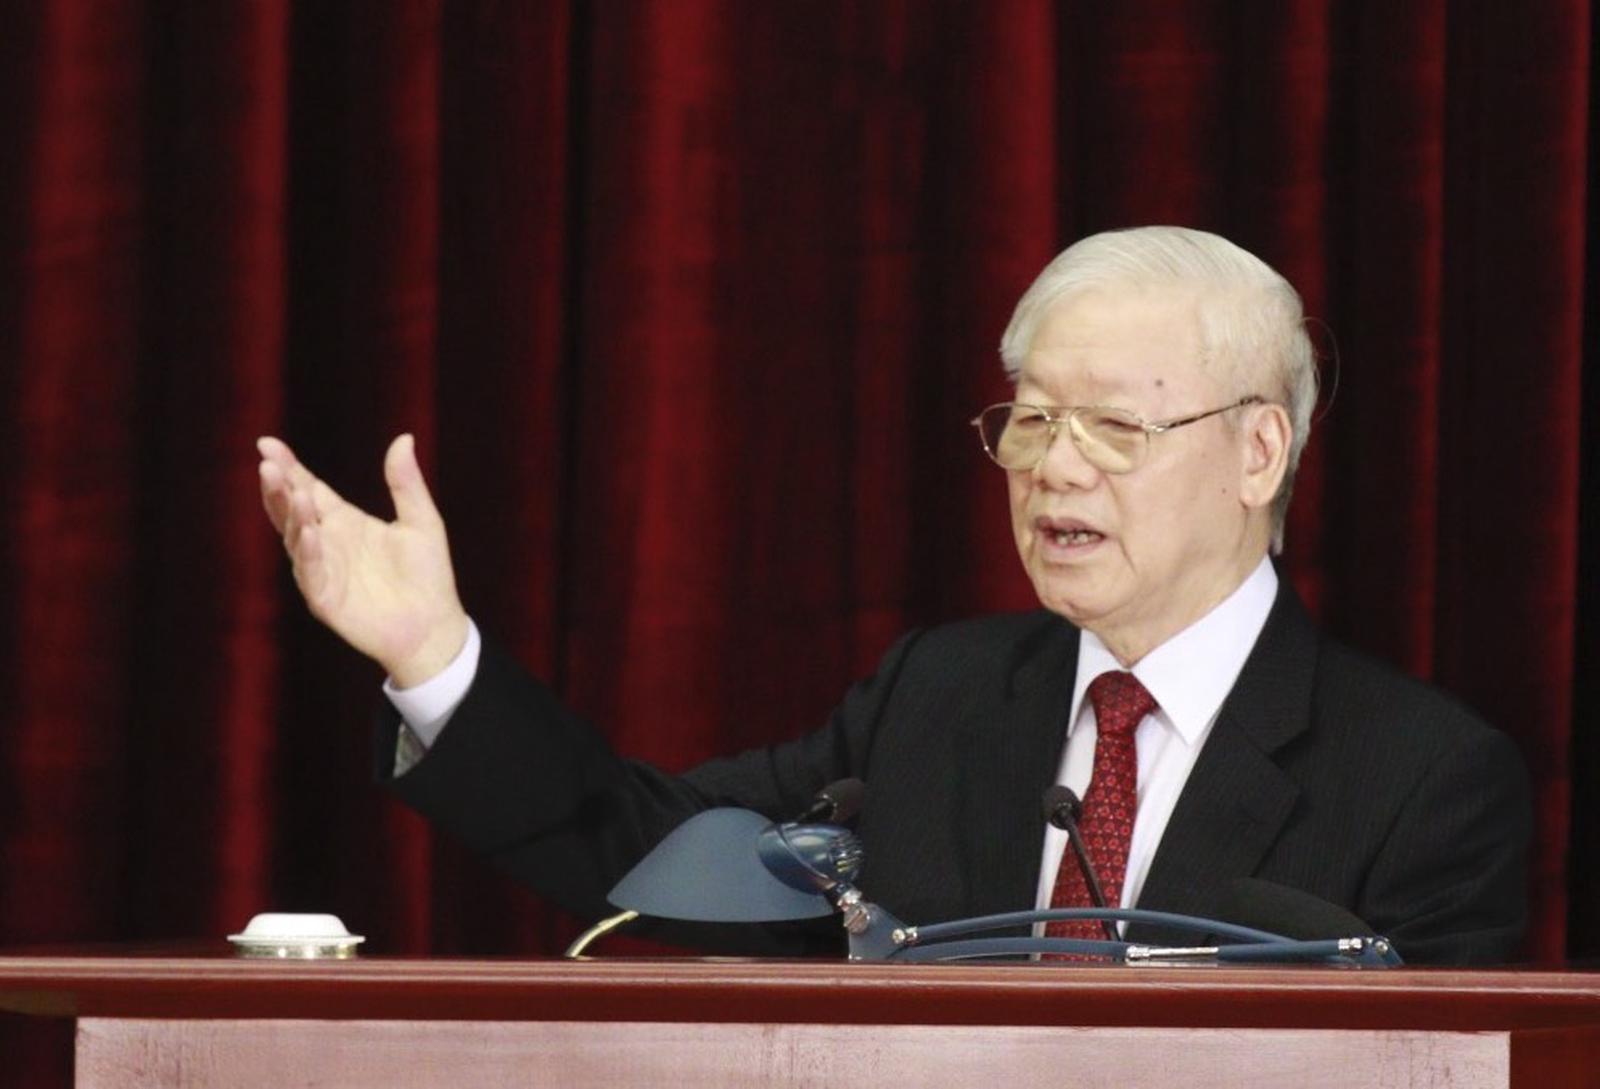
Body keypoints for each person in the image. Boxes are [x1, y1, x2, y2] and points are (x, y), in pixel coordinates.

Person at [258, 226, 1530, 964]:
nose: (1054, 468)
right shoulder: (941, 699)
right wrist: (435, 657)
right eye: (1031, 421)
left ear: (1258, 453)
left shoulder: (1420, 780)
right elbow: (646, 850)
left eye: (1112, 427)